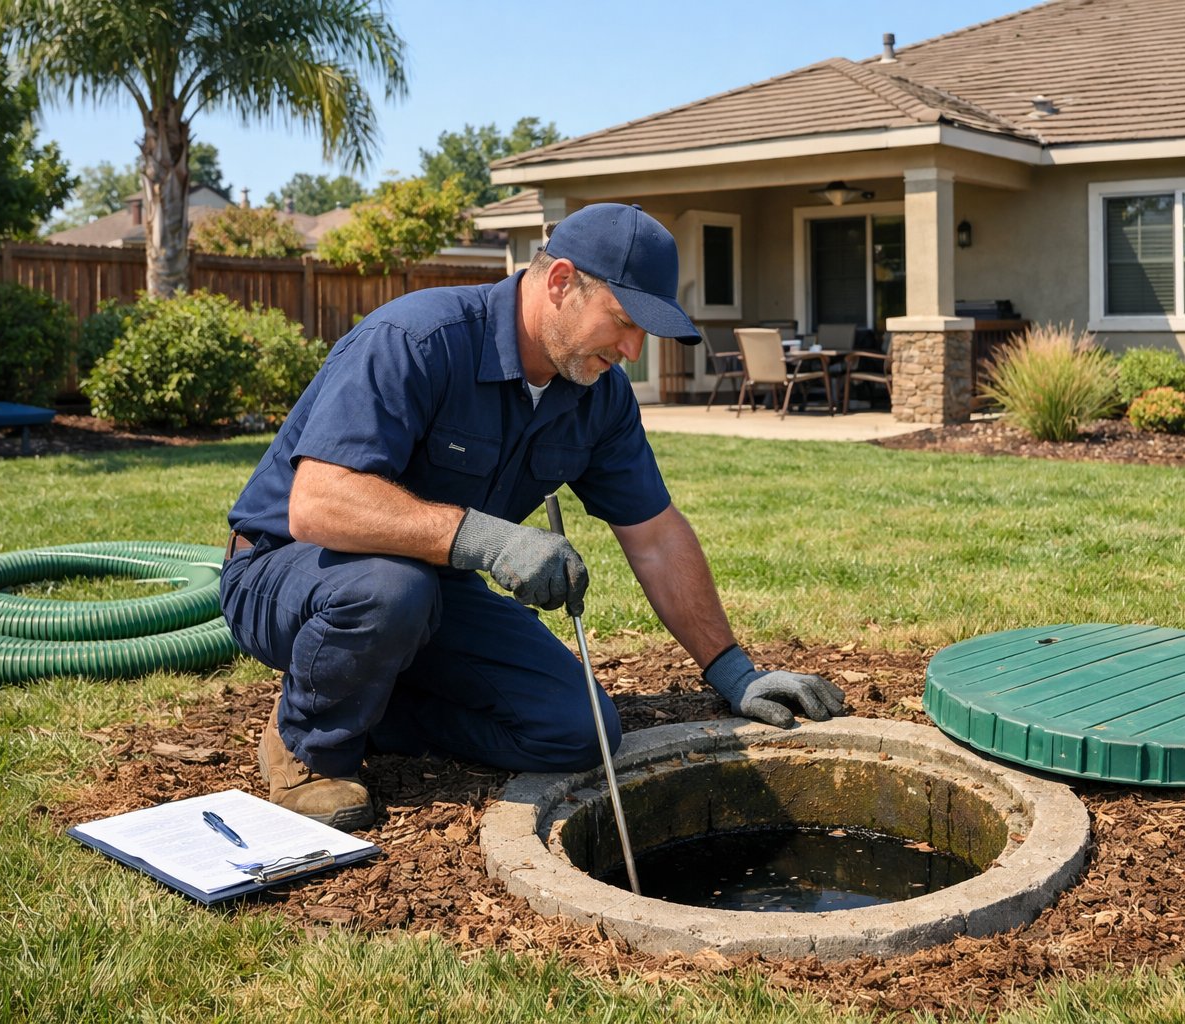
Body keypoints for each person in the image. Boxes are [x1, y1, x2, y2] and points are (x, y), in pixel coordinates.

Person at [219, 203, 847, 830]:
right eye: (624, 322)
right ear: (560, 283)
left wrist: (733, 672)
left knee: (579, 731)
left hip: (428, 589)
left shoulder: (598, 397)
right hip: (288, 574)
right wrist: (485, 539)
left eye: (644, 334)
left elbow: (655, 534)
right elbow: (320, 502)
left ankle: (372, 702)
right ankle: (309, 747)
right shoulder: (417, 340)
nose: (632, 349)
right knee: (390, 588)